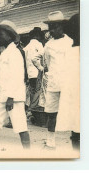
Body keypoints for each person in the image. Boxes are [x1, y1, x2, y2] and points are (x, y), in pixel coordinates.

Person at [0, 20, 30, 149]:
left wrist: (11, 97)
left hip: (14, 98)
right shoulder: (5, 53)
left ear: (10, 36)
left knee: (21, 127)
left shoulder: (15, 53)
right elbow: (5, 78)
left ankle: (29, 154)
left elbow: (17, 76)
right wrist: (0, 96)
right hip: (5, 97)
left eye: (1, 35)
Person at [42, 11, 73, 149]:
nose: (52, 30)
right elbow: (48, 64)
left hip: (69, 83)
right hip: (54, 83)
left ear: (62, 26)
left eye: (55, 27)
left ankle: (76, 138)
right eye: (50, 27)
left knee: (73, 112)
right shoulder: (48, 45)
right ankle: (50, 140)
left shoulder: (71, 42)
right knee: (51, 112)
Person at [56, 14, 80, 151]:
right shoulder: (71, 50)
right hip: (75, 94)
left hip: (73, 96)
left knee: (76, 129)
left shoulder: (70, 50)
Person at [24, 27, 45, 124]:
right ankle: (31, 111)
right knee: (38, 92)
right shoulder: (39, 45)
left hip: (30, 73)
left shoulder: (27, 47)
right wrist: (41, 68)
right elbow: (42, 57)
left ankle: (31, 112)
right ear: (37, 35)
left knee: (32, 93)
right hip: (37, 72)